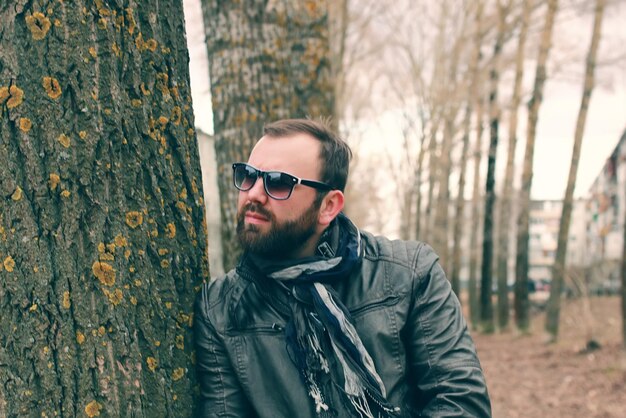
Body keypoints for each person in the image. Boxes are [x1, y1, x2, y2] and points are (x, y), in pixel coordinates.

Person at [194, 118, 491, 417]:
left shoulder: (410, 274)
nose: (254, 194)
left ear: (328, 206)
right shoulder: (219, 310)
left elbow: (461, 404)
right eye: (248, 176)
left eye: (278, 182)